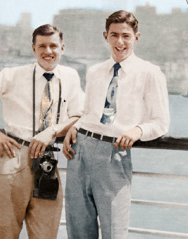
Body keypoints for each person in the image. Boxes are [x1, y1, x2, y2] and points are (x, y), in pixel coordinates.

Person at [0, 24, 84, 239]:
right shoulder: (14, 75)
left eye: (53, 46)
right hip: (13, 155)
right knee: (5, 233)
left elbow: (80, 115)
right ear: (33, 48)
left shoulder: (70, 76)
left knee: (46, 234)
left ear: (62, 48)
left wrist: (53, 131)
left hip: (47, 160)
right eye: (42, 46)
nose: (48, 51)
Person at [63, 10, 170, 239]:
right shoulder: (95, 71)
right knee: (78, 230)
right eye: (114, 35)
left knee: (114, 231)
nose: (120, 42)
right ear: (106, 36)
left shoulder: (150, 74)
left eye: (126, 36)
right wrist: (76, 126)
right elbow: (89, 112)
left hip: (114, 154)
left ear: (136, 37)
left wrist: (138, 130)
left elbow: (161, 123)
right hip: (79, 151)